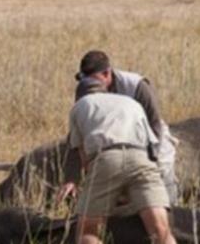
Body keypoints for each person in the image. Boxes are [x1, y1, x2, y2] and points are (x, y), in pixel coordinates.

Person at [57, 76, 178, 244]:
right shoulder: (131, 103)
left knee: (87, 231)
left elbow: (84, 158)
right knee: (161, 229)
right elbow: (153, 146)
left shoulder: (80, 106)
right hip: (142, 159)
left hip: (106, 157)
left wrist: (89, 187)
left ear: (80, 96)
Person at [76, 50, 179, 204]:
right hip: (115, 142)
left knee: (161, 191)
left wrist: (152, 158)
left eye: (94, 80)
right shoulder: (85, 89)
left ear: (106, 73)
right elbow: (79, 132)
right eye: (86, 80)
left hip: (149, 140)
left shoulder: (136, 86)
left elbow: (154, 123)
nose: (90, 85)